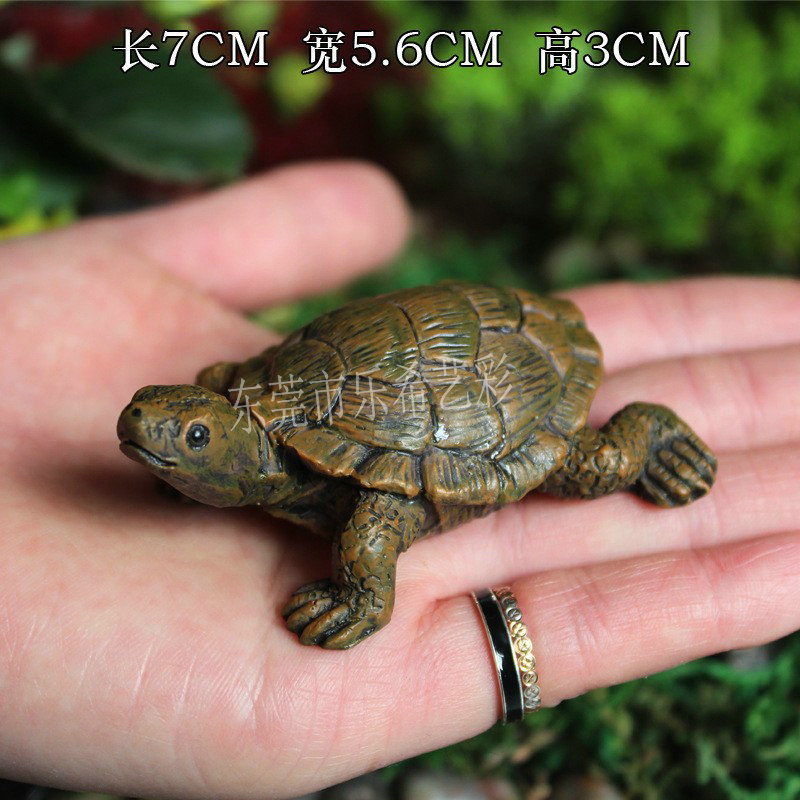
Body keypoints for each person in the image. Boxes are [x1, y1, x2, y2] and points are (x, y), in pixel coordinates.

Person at [0, 161, 798, 799]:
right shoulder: (242, 404)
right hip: (371, 353)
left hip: (501, 396)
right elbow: (219, 384)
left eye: (194, 436)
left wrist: (363, 596)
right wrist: (187, 467)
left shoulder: (320, 468)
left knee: (597, 469)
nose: (154, 428)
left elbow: (379, 514)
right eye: (164, 422)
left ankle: (648, 430)